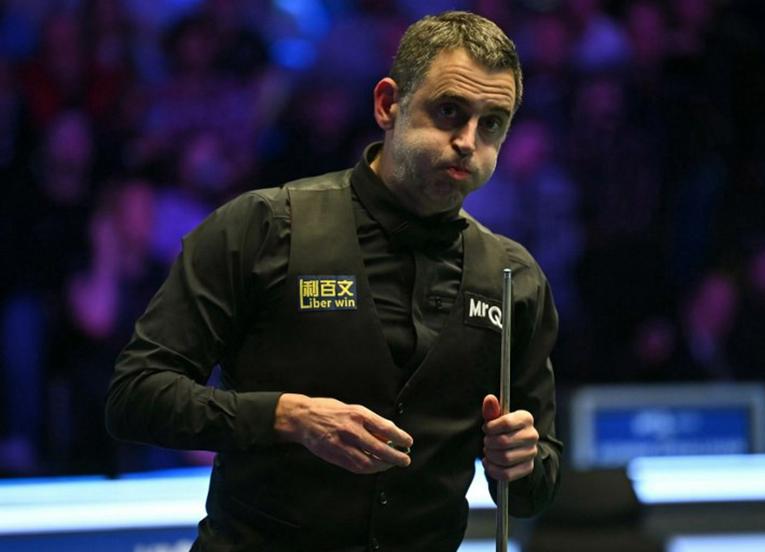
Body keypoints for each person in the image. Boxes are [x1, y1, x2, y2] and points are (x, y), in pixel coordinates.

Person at [106, 11, 562, 551]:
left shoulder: (514, 279)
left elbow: (535, 490)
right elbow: (135, 396)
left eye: (491, 124)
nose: (467, 141)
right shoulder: (262, 227)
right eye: (448, 111)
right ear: (387, 104)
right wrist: (286, 415)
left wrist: (522, 461)